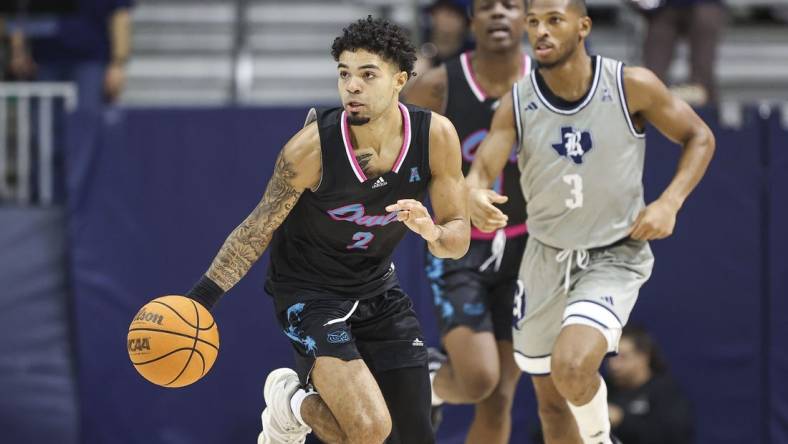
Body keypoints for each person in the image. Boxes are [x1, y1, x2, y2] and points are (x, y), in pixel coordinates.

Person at [183, 17, 469, 444]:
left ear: (399, 81)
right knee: (370, 429)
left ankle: (296, 404)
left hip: (377, 289)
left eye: (367, 74)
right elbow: (258, 227)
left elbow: (457, 240)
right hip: (309, 294)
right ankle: (292, 401)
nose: (352, 86)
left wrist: (432, 233)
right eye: (344, 74)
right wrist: (202, 299)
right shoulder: (311, 150)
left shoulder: (436, 137)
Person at [466, 0, 716, 442]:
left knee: (574, 366)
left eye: (554, 21)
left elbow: (699, 136)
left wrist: (670, 202)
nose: (540, 32)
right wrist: (474, 192)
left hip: (612, 254)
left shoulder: (630, 84)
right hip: (543, 257)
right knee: (551, 402)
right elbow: (481, 169)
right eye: (534, 23)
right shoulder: (518, 102)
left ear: (583, 26)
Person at [403, 0, 532, 442]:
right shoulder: (439, 86)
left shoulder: (545, 83)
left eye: (511, 4)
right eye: (486, 6)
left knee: (500, 397)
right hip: (460, 245)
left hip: (527, 247)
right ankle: (433, 381)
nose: (498, 13)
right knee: (479, 380)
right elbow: (392, 149)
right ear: (471, 20)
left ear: (528, 18)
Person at [9, 0, 132, 110]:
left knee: (86, 122)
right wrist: (18, 52)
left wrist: (118, 64)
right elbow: (21, 10)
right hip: (44, 62)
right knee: (44, 125)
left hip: (91, 62)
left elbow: (120, 16)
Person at [606, 325, 695, 444]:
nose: (614, 365)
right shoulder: (601, 389)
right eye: (609, 357)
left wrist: (621, 420)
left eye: (623, 357)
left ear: (643, 356)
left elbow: (674, 436)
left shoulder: (665, 392)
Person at [633, 0, 726, 106]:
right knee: (653, 73)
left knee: (702, 73)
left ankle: (707, 114)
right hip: (663, 8)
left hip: (705, 4)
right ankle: (649, 112)